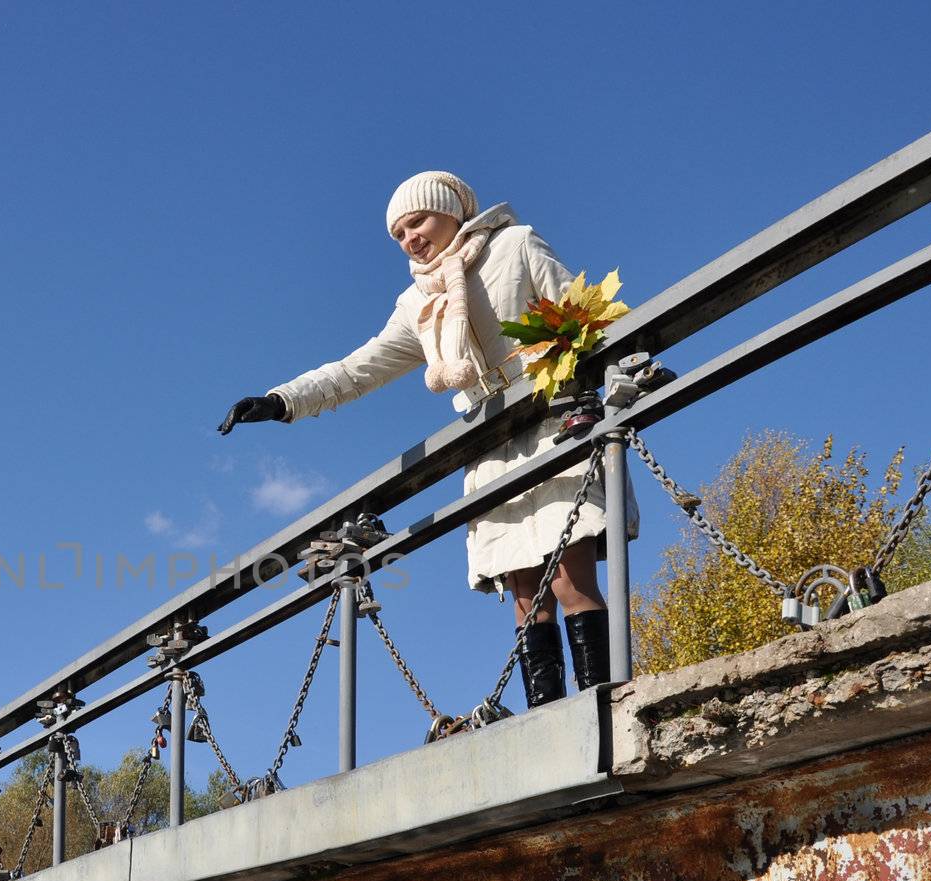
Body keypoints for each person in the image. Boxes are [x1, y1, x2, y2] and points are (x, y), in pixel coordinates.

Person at [217, 171, 637, 709]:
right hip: (488, 449)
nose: (410, 238)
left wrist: (586, 387)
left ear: (451, 212)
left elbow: (581, 319)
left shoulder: (514, 244)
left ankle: (602, 703)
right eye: (399, 234)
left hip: (552, 424)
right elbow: (354, 371)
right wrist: (282, 401)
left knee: (570, 582)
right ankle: (550, 718)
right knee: (527, 598)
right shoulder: (417, 303)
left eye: (417, 221)